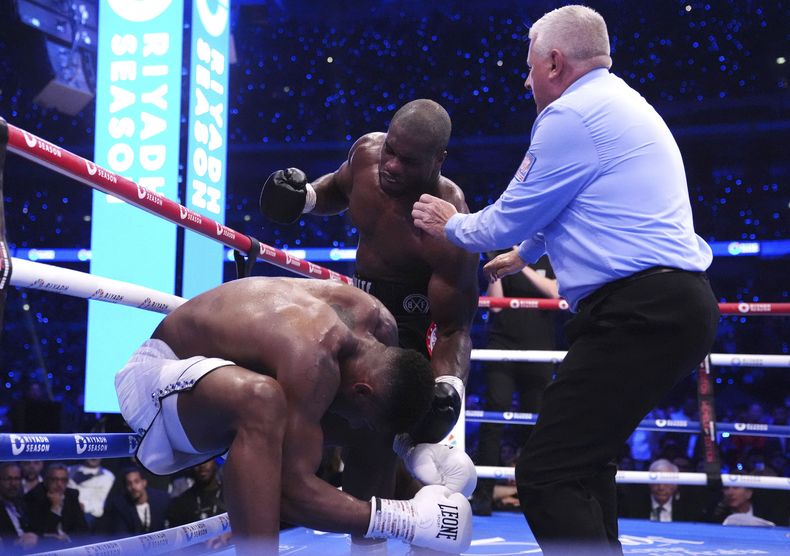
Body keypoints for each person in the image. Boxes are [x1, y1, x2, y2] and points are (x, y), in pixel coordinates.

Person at [411, 5, 720, 554]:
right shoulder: (619, 102)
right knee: (584, 464)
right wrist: (524, 254)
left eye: (529, 67)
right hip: (665, 306)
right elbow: (571, 202)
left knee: (545, 472)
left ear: (554, 62)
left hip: (639, 311)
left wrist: (450, 223)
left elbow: (506, 217)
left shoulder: (570, 116)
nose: (525, 81)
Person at [115, 277, 474, 555]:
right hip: (157, 377)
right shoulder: (311, 356)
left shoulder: (380, 326)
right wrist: (406, 520)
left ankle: (370, 552)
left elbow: (375, 422)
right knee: (261, 399)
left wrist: (412, 456)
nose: (353, 424)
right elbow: (287, 493)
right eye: (361, 413)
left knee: (372, 429)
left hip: (221, 383)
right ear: (362, 390)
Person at [259, 98, 480, 445]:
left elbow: (454, 328)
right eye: (390, 150)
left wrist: (447, 387)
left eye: (408, 161)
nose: (391, 165)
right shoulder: (366, 154)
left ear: (438, 160)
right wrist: (306, 198)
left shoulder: (449, 223)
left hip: (411, 323)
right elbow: (337, 187)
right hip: (358, 305)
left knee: (379, 444)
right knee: (304, 403)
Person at [471, 251, 559, 516]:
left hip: (540, 349)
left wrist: (520, 263)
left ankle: (536, 498)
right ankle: (483, 495)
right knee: (493, 417)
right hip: (503, 346)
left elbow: (555, 292)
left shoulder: (549, 255)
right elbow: (496, 304)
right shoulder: (502, 256)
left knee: (535, 423)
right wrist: (497, 266)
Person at [23, 463, 88, 549]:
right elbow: (40, 532)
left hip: (70, 545)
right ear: (45, 480)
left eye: (63, 480)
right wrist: (55, 508)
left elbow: (83, 528)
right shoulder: (34, 497)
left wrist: (68, 538)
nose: (59, 484)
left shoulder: (72, 494)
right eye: (54, 480)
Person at [617, 459, 701, 522]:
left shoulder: (690, 507)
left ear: (675, 485)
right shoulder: (632, 504)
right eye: (656, 482)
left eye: (666, 483)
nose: (661, 487)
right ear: (649, 483)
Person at [100, 466, 170, 538]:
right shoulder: (120, 506)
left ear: (144, 482)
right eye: (129, 483)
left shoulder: (162, 499)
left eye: (136, 481)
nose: (133, 486)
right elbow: (121, 534)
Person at [0, 462, 38, 554]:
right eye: (8, 479)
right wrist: (16, 544)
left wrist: (35, 537)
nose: (13, 484)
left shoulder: (22, 503)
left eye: (17, 479)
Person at [68, 458, 115, 532]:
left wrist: (81, 507)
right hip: (68, 509)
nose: (94, 458)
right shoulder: (69, 470)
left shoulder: (107, 476)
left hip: (89, 514)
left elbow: (99, 501)